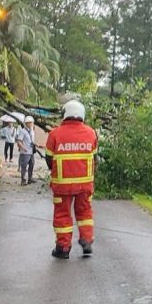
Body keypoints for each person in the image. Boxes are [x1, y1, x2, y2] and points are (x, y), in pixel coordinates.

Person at [44, 99, 98, 259]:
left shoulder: (55, 134)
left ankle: (63, 247)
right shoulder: (91, 133)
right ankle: (87, 241)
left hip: (62, 186)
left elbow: (49, 159)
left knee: (62, 215)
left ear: (65, 114)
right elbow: (95, 159)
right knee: (85, 212)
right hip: (85, 185)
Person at [16, 116, 37, 186]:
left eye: (32, 123)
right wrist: (23, 148)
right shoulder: (23, 131)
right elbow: (19, 141)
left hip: (31, 152)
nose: (32, 124)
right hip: (25, 152)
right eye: (30, 123)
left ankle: (30, 179)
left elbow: (32, 141)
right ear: (27, 123)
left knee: (32, 164)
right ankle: (23, 180)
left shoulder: (32, 131)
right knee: (24, 166)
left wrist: (36, 145)